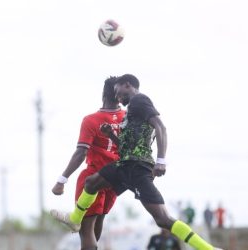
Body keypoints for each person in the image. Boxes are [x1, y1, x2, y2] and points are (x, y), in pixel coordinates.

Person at [51, 74, 223, 250]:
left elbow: (161, 127)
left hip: (137, 168)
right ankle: (74, 219)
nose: (118, 98)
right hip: (124, 165)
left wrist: (161, 160)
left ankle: (208, 248)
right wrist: (111, 135)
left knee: (163, 219)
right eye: (115, 95)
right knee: (91, 182)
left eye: (119, 93)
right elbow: (126, 148)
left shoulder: (139, 100)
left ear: (128, 85)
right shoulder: (130, 112)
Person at [51, 76, 125, 250]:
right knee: (97, 223)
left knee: (85, 231)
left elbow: (80, 153)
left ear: (103, 95)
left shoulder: (92, 120)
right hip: (115, 178)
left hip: (94, 177)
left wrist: (62, 180)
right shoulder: (127, 118)